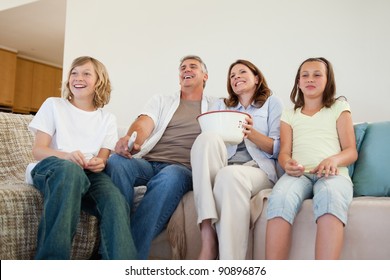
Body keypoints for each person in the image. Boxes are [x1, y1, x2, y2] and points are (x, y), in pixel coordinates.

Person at [25, 56, 137, 259]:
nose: (78, 77)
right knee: (70, 171)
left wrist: (99, 163)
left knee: (116, 200)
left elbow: (103, 160)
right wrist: (66, 156)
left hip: (88, 175)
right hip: (53, 167)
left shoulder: (107, 119)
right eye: (74, 73)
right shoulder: (54, 105)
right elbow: (38, 150)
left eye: (86, 73)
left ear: (99, 82)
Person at [105, 55, 215, 259]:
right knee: (117, 162)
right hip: (149, 163)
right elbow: (145, 121)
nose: (186, 70)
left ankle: (124, 258)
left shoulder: (216, 105)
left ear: (205, 76)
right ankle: (117, 235)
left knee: (170, 176)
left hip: (182, 169)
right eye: (182, 67)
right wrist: (133, 139)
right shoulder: (162, 100)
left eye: (193, 66)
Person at [265, 57, 358, 260]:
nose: (310, 79)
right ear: (298, 82)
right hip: (299, 174)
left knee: (331, 198)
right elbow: (284, 153)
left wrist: (333, 160)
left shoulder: (339, 107)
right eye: (305, 75)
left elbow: (351, 151)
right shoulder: (289, 115)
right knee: (280, 198)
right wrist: (286, 163)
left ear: (327, 80)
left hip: (332, 174)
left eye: (317, 75)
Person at [191, 59, 283, 260]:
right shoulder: (221, 105)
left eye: (242, 72)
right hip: (223, 167)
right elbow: (211, 138)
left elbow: (278, 148)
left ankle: (231, 265)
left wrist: (253, 133)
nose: (236, 77)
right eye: (232, 76)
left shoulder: (271, 104)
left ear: (257, 78)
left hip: (257, 169)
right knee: (205, 139)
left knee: (230, 176)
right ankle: (207, 233)